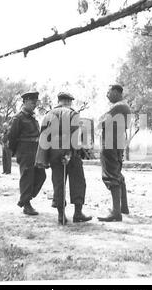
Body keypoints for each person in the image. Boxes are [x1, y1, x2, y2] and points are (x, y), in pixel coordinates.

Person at [36, 92, 92, 225]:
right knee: (78, 181)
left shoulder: (48, 115)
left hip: (54, 152)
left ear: (59, 101)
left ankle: (61, 216)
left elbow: (44, 136)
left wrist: (44, 157)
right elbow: (75, 134)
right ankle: (78, 213)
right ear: (68, 101)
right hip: (71, 151)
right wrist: (69, 152)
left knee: (58, 182)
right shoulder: (73, 113)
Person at [8, 91, 46, 216]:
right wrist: (16, 152)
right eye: (32, 102)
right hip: (24, 150)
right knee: (27, 177)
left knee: (41, 175)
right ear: (24, 102)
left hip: (35, 149)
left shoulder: (32, 118)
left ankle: (25, 198)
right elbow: (12, 137)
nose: (34, 105)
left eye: (35, 103)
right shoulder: (18, 118)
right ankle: (26, 204)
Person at [97, 85, 131, 222]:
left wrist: (102, 119)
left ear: (117, 92)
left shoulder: (117, 106)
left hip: (110, 144)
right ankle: (123, 208)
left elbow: (101, 123)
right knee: (118, 174)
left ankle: (116, 213)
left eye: (109, 91)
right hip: (118, 144)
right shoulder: (125, 106)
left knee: (111, 175)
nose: (107, 95)